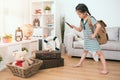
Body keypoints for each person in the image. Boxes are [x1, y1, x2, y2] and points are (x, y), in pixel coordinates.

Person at [70, 3, 108, 74]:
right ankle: (80, 64)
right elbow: (80, 30)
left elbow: (99, 26)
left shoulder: (91, 18)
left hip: (93, 39)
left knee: (99, 54)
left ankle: (105, 69)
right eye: (77, 14)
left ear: (85, 12)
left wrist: (94, 35)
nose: (78, 16)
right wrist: (74, 27)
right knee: (85, 51)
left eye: (79, 14)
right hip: (87, 39)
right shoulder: (82, 20)